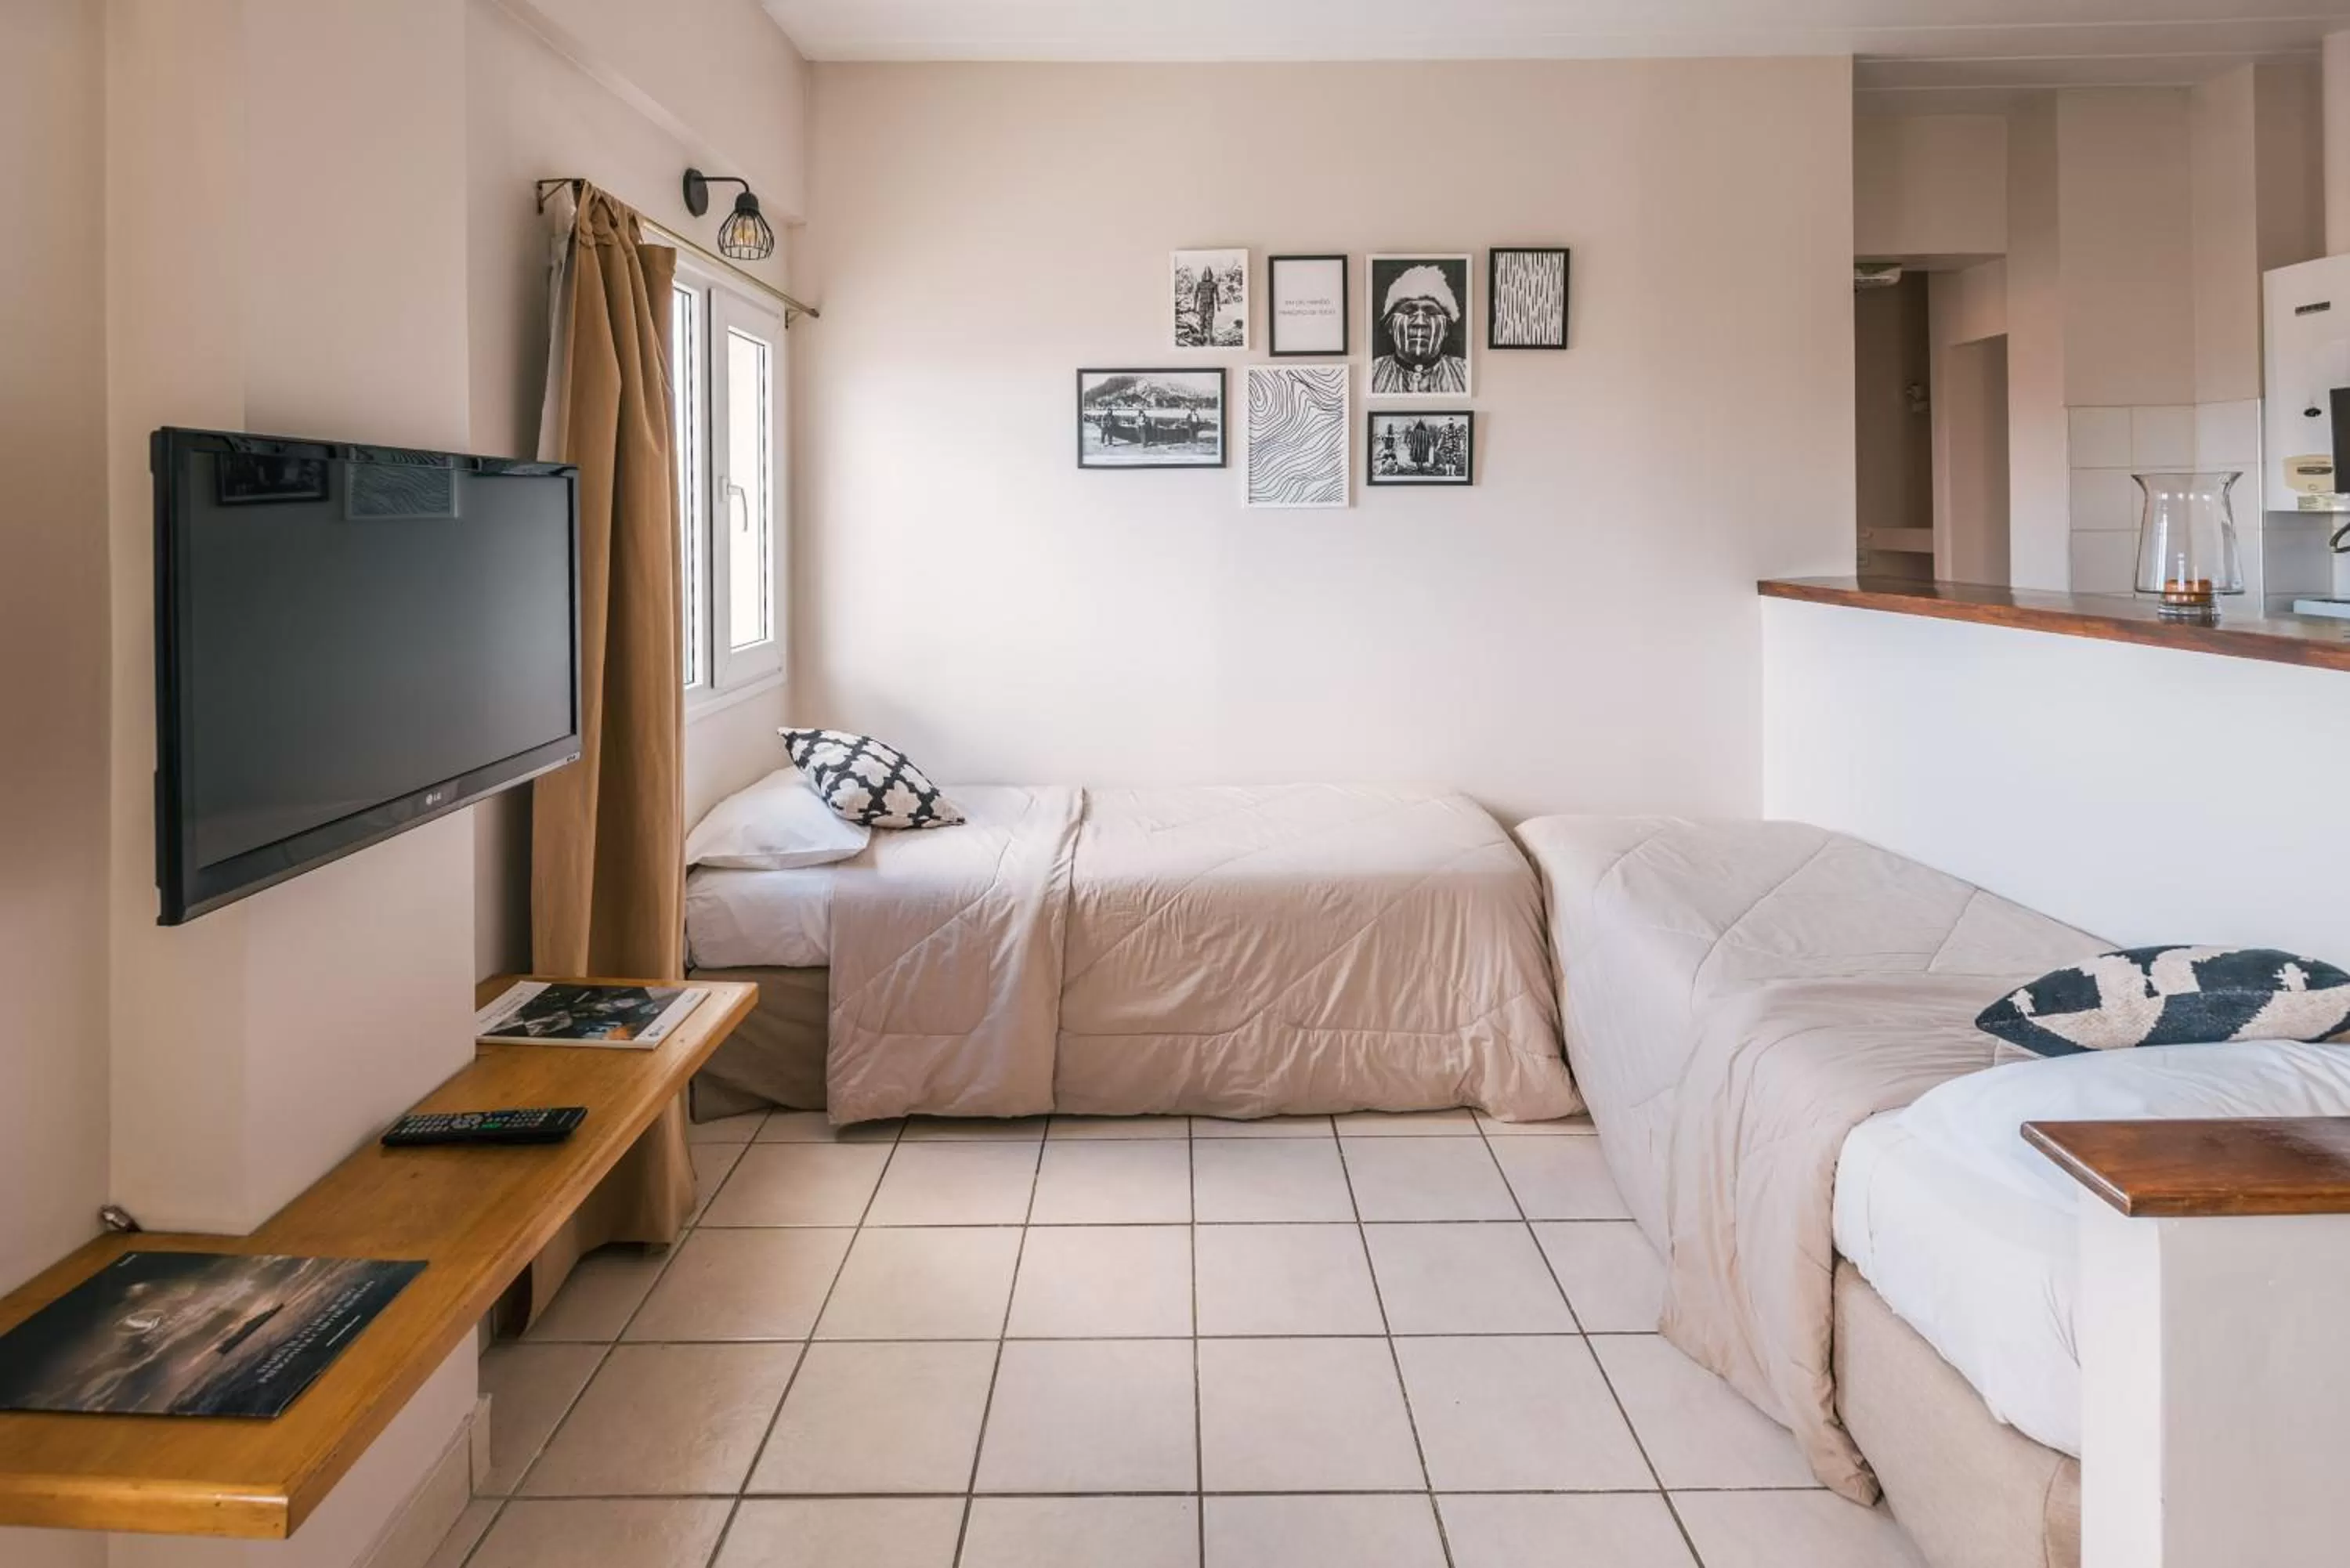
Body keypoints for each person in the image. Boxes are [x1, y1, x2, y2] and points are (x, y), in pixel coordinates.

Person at [1370, 265, 1468, 395]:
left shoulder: (1465, 373)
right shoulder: (1371, 373)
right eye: (1408, 312)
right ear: (1391, 327)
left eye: (1431, 313)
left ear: (1446, 329)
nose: (1420, 322)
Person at [1191, 264, 1220, 346]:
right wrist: (1194, 306)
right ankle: (1201, 337)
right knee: (1202, 320)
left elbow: (1217, 295)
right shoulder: (1200, 284)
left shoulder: (1214, 284)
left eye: (1208, 273)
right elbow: (1196, 295)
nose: (1207, 276)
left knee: (1210, 321)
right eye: (1206, 273)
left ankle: (1210, 337)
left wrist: (1219, 305)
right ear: (1203, 274)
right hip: (1202, 304)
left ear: (1211, 274)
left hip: (1211, 305)